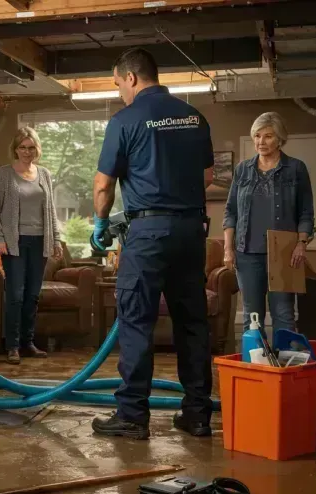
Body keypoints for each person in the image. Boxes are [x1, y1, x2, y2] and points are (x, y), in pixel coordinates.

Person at [90, 47, 215, 440]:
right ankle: (197, 415)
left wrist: (99, 222)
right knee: (192, 323)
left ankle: (131, 416)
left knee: (136, 321)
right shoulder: (194, 116)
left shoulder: (124, 120)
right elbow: (208, 176)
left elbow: (102, 184)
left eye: (118, 84)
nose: (120, 92)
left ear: (130, 78)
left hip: (147, 234)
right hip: (192, 232)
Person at [222, 112, 314, 335]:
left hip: (283, 252)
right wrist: (228, 248)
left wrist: (302, 243)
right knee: (252, 317)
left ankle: (283, 367)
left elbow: (306, 212)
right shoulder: (243, 170)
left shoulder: (295, 169)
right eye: (257, 136)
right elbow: (230, 211)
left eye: (268, 136)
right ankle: (255, 366)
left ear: (280, 139)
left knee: (283, 314)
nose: (261, 142)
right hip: (247, 253)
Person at [0, 126, 63, 365]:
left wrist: (56, 239)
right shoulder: (5, 174)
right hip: (14, 243)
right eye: (22, 147)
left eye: (31, 147)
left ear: (36, 149)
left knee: (32, 295)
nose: (27, 152)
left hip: (40, 241)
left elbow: (51, 209)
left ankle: (28, 342)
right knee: (16, 295)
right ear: (15, 149)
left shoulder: (44, 174)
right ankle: (12, 346)